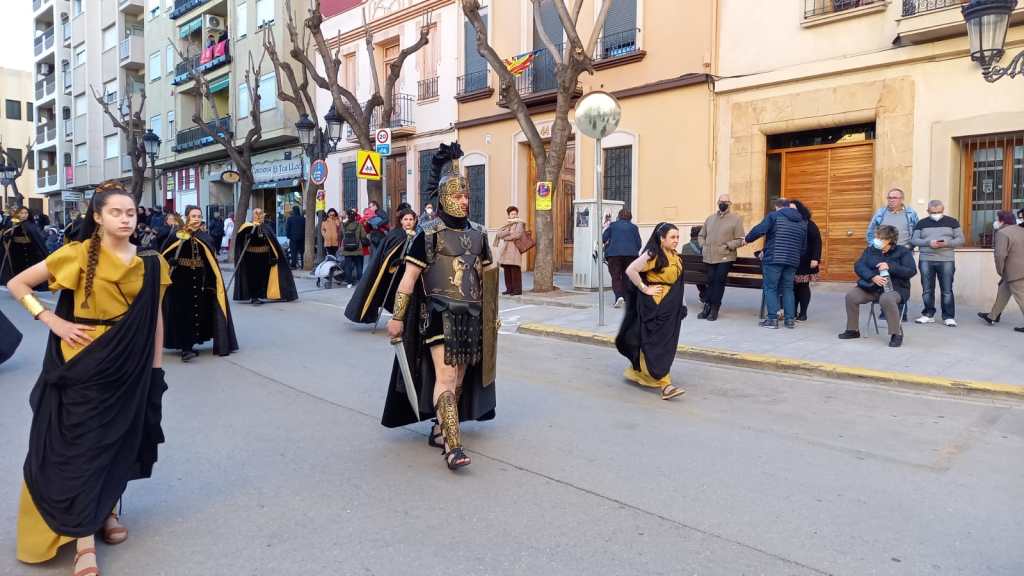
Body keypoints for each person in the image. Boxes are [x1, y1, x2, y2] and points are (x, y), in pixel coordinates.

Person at [7, 181, 170, 576]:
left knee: (118, 440)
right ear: (97, 217)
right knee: (81, 446)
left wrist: (155, 370)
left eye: (130, 212)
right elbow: (17, 284)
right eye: (116, 212)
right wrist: (53, 320)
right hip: (81, 362)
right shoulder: (77, 254)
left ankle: (107, 510)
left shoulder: (152, 262)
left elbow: (155, 319)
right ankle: (82, 539)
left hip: (129, 365)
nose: (125, 219)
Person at [384, 143, 498, 471]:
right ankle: (453, 446)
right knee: (446, 377)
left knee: (459, 379)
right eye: (458, 195)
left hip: (472, 317)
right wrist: (397, 317)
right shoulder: (427, 234)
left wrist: (492, 318)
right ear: (445, 197)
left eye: (467, 195)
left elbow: (488, 278)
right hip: (439, 315)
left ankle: (440, 428)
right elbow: (408, 280)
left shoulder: (479, 235)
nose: (465, 201)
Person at [615, 222, 688, 401]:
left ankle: (638, 372)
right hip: (656, 306)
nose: (676, 240)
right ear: (661, 238)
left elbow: (679, 284)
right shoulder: (653, 254)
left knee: (665, 344)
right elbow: (631, 270)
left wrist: (682, 304)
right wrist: (645, 288)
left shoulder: (676, 257)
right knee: (657, 344)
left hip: (671, 307)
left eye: (677, 237)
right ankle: (665, 385)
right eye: (672, 237)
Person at [160, 205, 238, 362]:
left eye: (199, 216)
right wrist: (170, 261)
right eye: (193, 216)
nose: (196, 219)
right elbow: (164, 255)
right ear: (187, 217)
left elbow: (210, 262)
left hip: (199, 280)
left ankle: (191, 343)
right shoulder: (177, 235)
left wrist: (211, 282)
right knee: (183, 313)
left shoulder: (204, 237)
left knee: (197, 312)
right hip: (180, 281)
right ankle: (186, 348)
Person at [838, 224, 917, 347]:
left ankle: (896, 334)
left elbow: (911, 271)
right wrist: (872, 277)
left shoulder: (903, 252)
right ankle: (853, 330)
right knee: (851, 296)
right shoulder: (871, 250)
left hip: (895, 289)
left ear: (889, 240)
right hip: (871, 287)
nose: (876, 240)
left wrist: (890, 266)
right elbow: (859, 265)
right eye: (876, 237)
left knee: (887, 298)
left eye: (880, 238)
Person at [345, 207, 417, 324]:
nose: (408, 222)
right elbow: (387, 255)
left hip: (410, 271)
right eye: (405, 219)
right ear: (401, 221)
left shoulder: (417, 234)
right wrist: (395, 262)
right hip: (393, 273)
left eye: (411, 219)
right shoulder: (397, 235)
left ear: (414, 221)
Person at [745, 198, 806, 329]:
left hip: (774, 258)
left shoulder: (774, 216)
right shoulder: (802, 222)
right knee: (788, 289)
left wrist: (747, 239)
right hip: (792, 260)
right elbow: (803, 247)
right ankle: (790, 320)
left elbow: (759, 230)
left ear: (777, 207)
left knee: (770, 288)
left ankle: (772, 319)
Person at [910, 200, 964, 326]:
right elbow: (914, 240)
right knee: (927, 289)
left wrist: (946, 243)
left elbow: (961, 239)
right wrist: (928, 243)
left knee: (947, 290)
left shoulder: (952, 222)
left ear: (943, 210)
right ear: (928, 211)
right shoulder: (921, 223)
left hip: (946, 259)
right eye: (933, 212)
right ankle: (928, 314)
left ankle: (948, 317)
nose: (936, 214)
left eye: (939, 212)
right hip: (926, 259)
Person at [867, 187, 918, 321]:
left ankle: (901, 313)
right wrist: (874, 247)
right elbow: (871, 231)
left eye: (894, 198)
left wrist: (910, 247)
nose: (891, 200)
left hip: (902, 253)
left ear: (902, 199)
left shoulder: (910, 213)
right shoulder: (881, 213)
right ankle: (885, 311)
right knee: (885, 280)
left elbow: (917, 232)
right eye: (889, 197)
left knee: (901, 281)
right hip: (884, 252)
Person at [232, 208, 298, 305]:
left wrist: (274, 254)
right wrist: (248, 236)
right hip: (251, 257)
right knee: (253, 277)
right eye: (256, 213)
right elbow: (240, 240)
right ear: (253, 215)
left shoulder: (266, 227)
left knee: (263, 277)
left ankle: (261, 294)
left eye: (260, 213)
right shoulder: (247, 227)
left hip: (264, 256)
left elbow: (272, 242)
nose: (259, 215)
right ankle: (254, 296)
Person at [697, 194, 745, 321]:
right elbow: (701, 235)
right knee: (710, 281)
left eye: (726, 202)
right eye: (721, 201)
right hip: (709, 256)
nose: (723, 204)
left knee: (719, 281)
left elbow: (740, 239)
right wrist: (703, 246)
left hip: (725, 257)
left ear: (730, 204)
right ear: (718, 202)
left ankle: (714, 308)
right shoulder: (710, 218)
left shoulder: (736, 219)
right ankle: (707, 306)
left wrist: (727, 246)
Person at [978, 210, 1024, 332]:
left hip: (1014, 272)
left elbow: (1000, 255)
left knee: (1021, 297)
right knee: (1004, 291)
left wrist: (1000, 271)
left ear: (1002, 221)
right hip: (1017, 271)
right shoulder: (1020, 230)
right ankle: (992, 316)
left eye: (997, 219)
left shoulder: (1003, 233)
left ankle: (993, 316)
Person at [602, 208, 642, 308]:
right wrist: (633, 251)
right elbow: (638, 244)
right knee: (626, 277)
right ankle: (625, 297)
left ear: (619, 216)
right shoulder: (634, 227)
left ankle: (619, 297)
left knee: (615, 276)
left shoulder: (613, 225)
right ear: (630, 217)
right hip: (631, 255)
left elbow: (604, 238)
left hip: (614, 255)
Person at [1, 206, 49, 287]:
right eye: (21, 213)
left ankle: (32, 284)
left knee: (30, 270)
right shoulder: (12, 223)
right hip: (17, 251)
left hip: (31, 251)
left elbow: (38, 240)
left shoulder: (31, 225)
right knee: (18, 270)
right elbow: (5, 235)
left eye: (26, 213)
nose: (24, 215)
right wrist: (7, 236)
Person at [791, 200, 821, 322]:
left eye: (794, 209)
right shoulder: (788, 222)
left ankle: (803, 313)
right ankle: (792, 312)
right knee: (792, 287)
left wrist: (815, 258)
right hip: (792, 260)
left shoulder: (809, 224)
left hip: (806, 261)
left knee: (803, 287)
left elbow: (817, 242)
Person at [494, 206, 526, 296]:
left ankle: (517, 290)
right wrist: (508, 232)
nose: (514, 215)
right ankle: (509, 289)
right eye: (512, 214)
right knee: (507, 270)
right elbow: (499, 234)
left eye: (515, 214)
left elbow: (517, 235)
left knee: (515, 269)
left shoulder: (520, 223)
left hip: (515, 250)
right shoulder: (507, 224)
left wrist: (506, 237)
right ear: (509, 215)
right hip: (506, 250)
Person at [340, 208, 368, 287]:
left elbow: (341, 235)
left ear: (347, 216)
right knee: (359, 265)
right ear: (355, 216)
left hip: (346, 249)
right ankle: (360, 282)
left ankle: (349, 283)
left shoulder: (343, 225)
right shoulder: (359, 224)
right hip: (358, 248)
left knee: (348, 266)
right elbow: (363, 236)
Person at [680, 225, 706, 303]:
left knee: (697, 272)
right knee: (702, 273)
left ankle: (704, 295)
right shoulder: (705, 246)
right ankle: (704, 295)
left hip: (687, 275)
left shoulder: (685, 246)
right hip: (703, 275)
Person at [285, 205, 306, 269]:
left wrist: (288, 236)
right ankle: (302, 265)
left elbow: (287, 228)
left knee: (293, 252)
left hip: (293, 238)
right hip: (302, 238)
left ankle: (294, 265)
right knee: (302, 252)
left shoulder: (290, 219)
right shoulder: (303, 219)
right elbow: (305, 228)